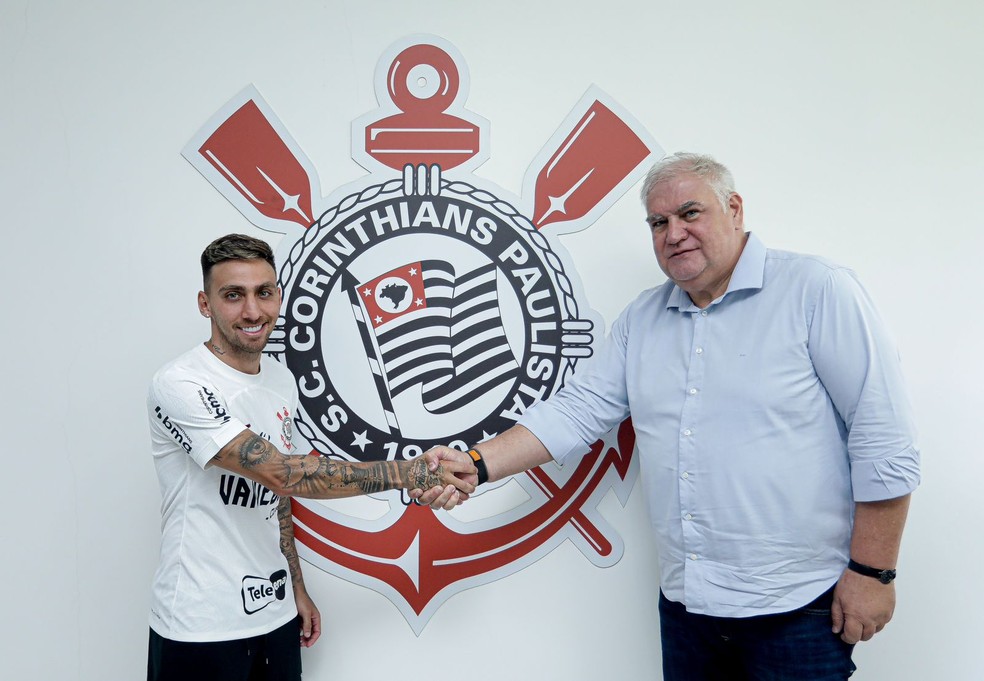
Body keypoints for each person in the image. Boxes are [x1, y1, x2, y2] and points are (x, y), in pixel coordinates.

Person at [415, 153, 920, 680]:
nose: (674, 234)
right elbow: (577, 410)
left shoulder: (817, 290)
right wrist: (476, 463)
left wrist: (874, 571)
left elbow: (884, 437)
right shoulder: (642, 318)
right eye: (658, 222)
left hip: (799, 605)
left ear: (734, 209)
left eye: (690, 213)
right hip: (688, 608)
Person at [146, 233, 474, 681]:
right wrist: (409, 472)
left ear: (278, 296)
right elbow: (283, 474)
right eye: (233, 295)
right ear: (205, 304)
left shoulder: (280, 380)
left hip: (275, 613)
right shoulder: (180, 383)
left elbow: (277, 500)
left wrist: (295, 588)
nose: (252, 311)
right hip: (200, 622)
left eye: (264, 292)